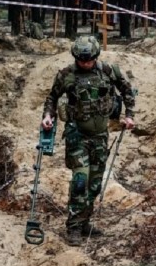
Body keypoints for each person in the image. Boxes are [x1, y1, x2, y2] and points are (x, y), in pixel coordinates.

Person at [41, 36, 136, 246]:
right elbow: (52, 98)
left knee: (94, 183)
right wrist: (48, 116)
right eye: (81, 60)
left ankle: (84, 221)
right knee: (80, 180)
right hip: (77, 136)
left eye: (89, 59)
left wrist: (129, 115)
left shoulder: (109, 71)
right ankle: (73, 227)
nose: (85, 63)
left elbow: (127, 90)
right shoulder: (66, 75)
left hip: (100, 137)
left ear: (95, 56)